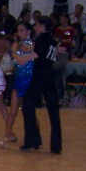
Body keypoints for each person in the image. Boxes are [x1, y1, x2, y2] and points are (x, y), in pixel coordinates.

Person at [20, 16, 61, 153]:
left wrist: (20, 58)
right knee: (53, 112)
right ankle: (56, 146)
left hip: (38, 77)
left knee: (27, 106)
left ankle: (32, 141)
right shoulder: (53, 42)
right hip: (50, 77)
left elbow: (34, 56)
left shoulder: (40, 41)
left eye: (37, 25)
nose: (35, 27)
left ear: (42, 26)